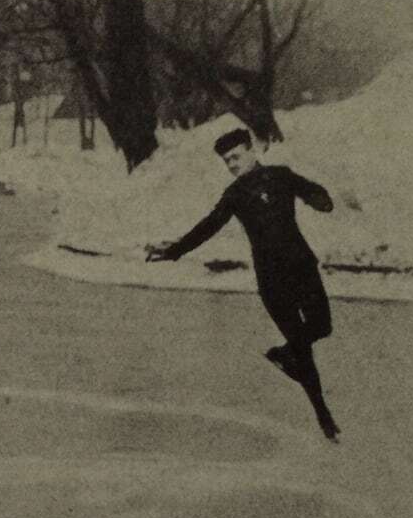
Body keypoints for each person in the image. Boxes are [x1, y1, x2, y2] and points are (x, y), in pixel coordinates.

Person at [145, 128, 341, 441]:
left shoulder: (281, 175)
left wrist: (322, 199)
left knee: (322, 326)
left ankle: (283, 354)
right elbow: (208, 226)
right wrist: (174, 251)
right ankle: (323, 416)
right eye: (227, 162)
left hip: (301, 267)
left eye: (236, 157)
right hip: (271, 279)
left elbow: (313, 191)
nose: (232, 165)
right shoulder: (235, 194)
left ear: (251, 150)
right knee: (303, 352)